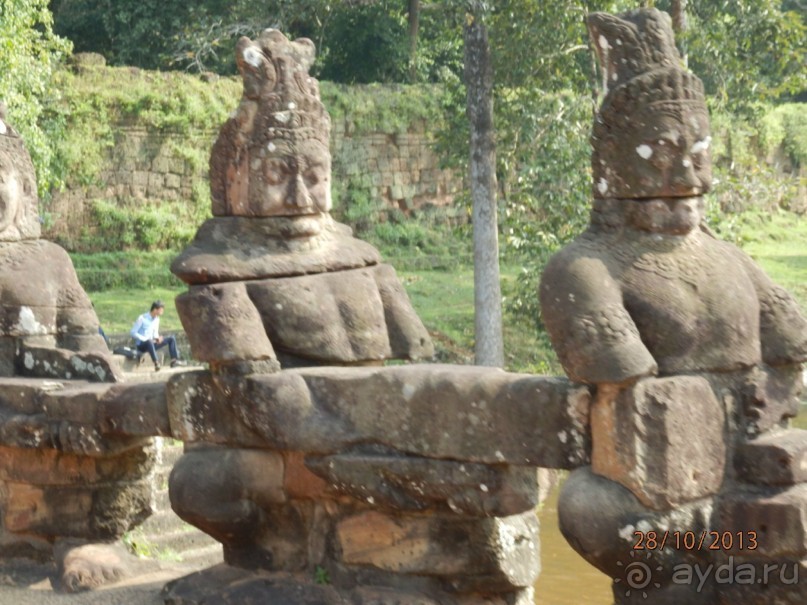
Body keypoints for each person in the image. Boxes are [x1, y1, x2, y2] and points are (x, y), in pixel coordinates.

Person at [130, 300, 184, 370]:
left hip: (152, 343)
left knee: (171, 338)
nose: (162, 312)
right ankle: (156, 363)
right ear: (155, 310)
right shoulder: (142, 318)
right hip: (142, 345)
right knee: (149, 341)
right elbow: (133, 332)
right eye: (161, 310)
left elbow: (155, 333)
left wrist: (157, 338)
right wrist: (145, 339)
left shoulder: (157, 319)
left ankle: (174, 361)